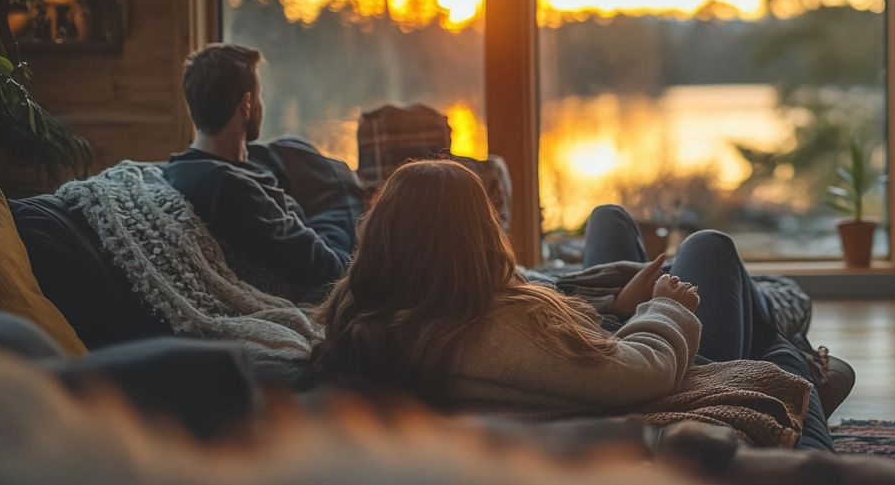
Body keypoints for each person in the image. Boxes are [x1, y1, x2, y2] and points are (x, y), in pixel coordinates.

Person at [312, 159, 836, 450]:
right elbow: (637, 373)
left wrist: (617, 306)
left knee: (608, 217)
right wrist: (666, 310)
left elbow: (557, 353)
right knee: (710, 248)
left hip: (602, 345)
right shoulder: (495, 327)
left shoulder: (366, 310)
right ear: (476, 239)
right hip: (672, 365)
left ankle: (790, 349)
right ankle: (789, 354)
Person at [163, 43, 350, 299]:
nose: (261, 104)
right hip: (325, 265)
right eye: (259, 96)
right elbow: (330, 268)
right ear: (247, 105)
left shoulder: (180, 168)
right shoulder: (232, 190)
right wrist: (342, 194)